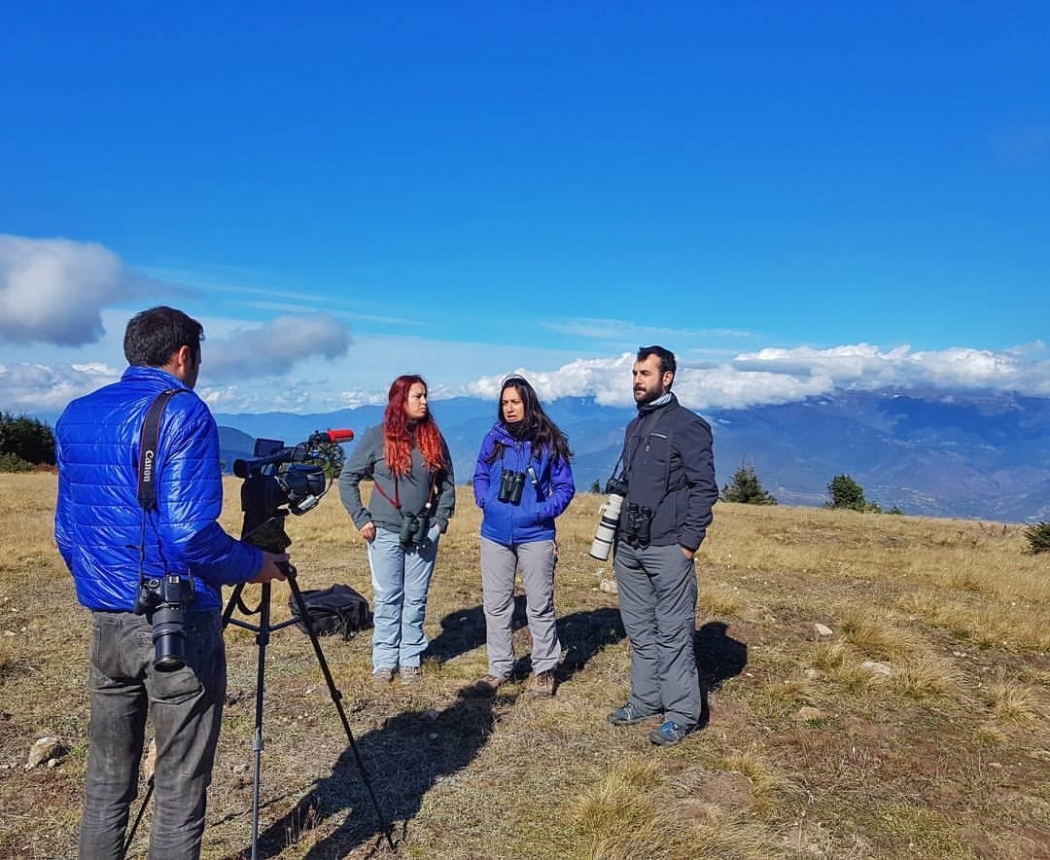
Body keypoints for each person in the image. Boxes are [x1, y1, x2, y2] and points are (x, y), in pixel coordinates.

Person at [54, 306, 289, 859]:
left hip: (109, 622)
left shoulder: (77, 414)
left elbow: (67, 530)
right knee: (180, 785)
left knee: (107, 780)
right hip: (176, 623)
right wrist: (256, 565)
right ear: (184, 355)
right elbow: (189, 535)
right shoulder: (184, 412)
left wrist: (104, 585)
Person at [606, 345, 717, 746]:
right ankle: (645, 699)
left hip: (669, 547)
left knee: (673, 632)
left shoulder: (688, 426)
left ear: (666, 377)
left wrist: (688, 543)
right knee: (639, 630)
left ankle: (683, 713)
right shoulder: (635, 426)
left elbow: (705, 489)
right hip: (630, 545)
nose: (637, 381)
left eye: (645, 374)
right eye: (635, 374)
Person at [339, 374, 455, 685]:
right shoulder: (377, 438)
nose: (425, 402)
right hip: (384, 531)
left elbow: (447, 483)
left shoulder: (434, 438)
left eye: (426, 396)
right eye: (418, 396)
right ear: (400, 401)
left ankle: (410, 660)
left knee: (416, 598)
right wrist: (361, 519)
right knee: (389, 596)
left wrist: (441, 521)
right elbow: (347, 478)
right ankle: (384, 660)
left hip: (423, 531)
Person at [471, 376, 576, 696]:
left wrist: (540, 511)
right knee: (496, 604)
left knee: (540, 604)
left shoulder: (548, 441)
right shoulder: (494, 439)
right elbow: (480, 473)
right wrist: (485, 500)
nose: (509, 408)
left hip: (536, 535)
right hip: (495, 534)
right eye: (505, 403)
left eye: (515, 402)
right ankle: (499, 668)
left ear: (528, 403)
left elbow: (565, 487)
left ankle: (544, 669)